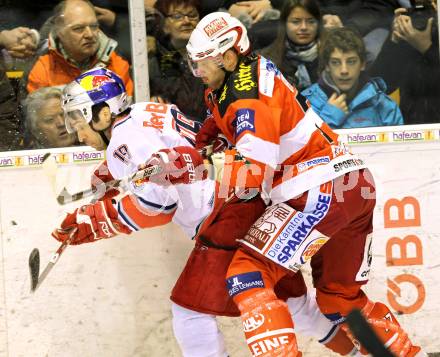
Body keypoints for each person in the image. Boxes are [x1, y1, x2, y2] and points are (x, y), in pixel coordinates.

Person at [53, 67, 361, 356]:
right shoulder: (142, 112)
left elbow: (157, 207)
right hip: (247, 200)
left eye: (78, 123)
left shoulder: (123, 141)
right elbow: (159, 155)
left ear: (103, 114)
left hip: (223, 219)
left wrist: (94, 221)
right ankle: (359, 351)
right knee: (297, 305)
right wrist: (111, 172)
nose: (78, 134)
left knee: (190, 314)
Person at [180, 11, 422, 356]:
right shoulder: (243, 74)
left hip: (317, 188)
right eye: (194, 63)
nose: (198, 72)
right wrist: (193, 153)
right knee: (340, 299)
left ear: (229, 56)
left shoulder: (246, 99)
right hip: (352, 185)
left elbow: (252, 171)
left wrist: (199, 166)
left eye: (201, 63)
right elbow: (216, 130)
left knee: (248, 274)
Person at [21, 0, 133, 95]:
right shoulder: (42, 70)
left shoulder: (117, 66)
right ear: (59, 32)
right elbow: (41, 118)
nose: (89, 34)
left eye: (93, 26)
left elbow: (127, 117)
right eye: (78, 28)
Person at [302, 27, 403, 128]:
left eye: (351, 62)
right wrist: (329, 118)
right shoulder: (307, 102)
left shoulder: (382, 105)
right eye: (336, 62)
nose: (344, 70)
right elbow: (300, 142)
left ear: (362, 64)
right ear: (327, 66)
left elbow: (402, 143)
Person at [369, 1, 440, 125]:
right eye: (417, 8)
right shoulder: (407, 33)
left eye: (427, 7)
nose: (421, 15)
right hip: (410, 128)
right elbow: (380, 87)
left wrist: (426, 48)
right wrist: (394, 41)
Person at [148, 0, 207, 122]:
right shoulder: (152, 62)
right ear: (164, 24)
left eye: (192, 15)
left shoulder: (213, 56)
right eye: (177, 16)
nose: (186, 21)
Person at [259, 0, 321, 90]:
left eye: (310, 21)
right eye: (296, 22)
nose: (304, 27)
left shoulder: (332, 54)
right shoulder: (265, 61)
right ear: (284, 24)